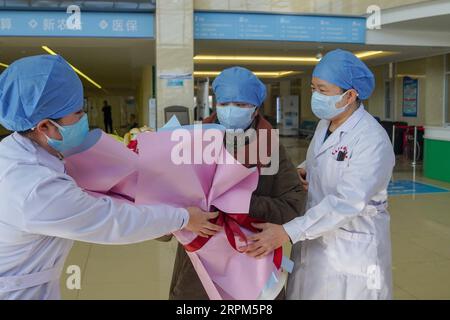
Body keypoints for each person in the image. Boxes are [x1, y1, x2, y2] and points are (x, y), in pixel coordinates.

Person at [0, 55, 221, 300]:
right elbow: (113, 221)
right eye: (77, 112)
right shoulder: (36, 189)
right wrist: (183, 218)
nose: (84, 118)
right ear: (44, 127)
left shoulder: (15, 150)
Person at [243, 49, 395, 300]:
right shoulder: (327, 124)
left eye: (323, 90)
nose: (315, 95)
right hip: (314, 237)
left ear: (350, 95)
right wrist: (303, 170)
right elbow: (319, 160)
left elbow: (347, 202)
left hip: (351, 250)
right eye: (313, 88)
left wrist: (287, 231)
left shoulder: (372, 139)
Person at [169, 66, 306, 300]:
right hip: (199, 269)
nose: (232, 111)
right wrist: (182, 217)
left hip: (252, 261)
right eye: (224, 104)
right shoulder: (191, 143)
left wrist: (244, 203)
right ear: (215, 105)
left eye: (241, 105)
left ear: (254, 110)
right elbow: (163, 202)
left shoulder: (269, 149)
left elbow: (293, 204)